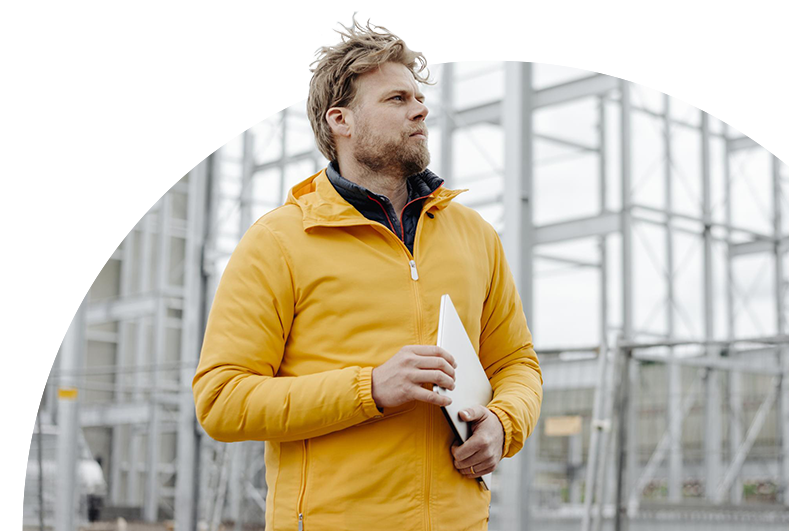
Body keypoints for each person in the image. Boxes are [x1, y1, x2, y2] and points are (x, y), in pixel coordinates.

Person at [192, 16, 543, 531]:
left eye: (417, 98)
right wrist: (370, 389)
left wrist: (503, 423)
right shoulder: (278, 242)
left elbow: (517, 363)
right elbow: (221, 400)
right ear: (341, 120)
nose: (420, 109)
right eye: (396, 99)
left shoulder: (475, 235)